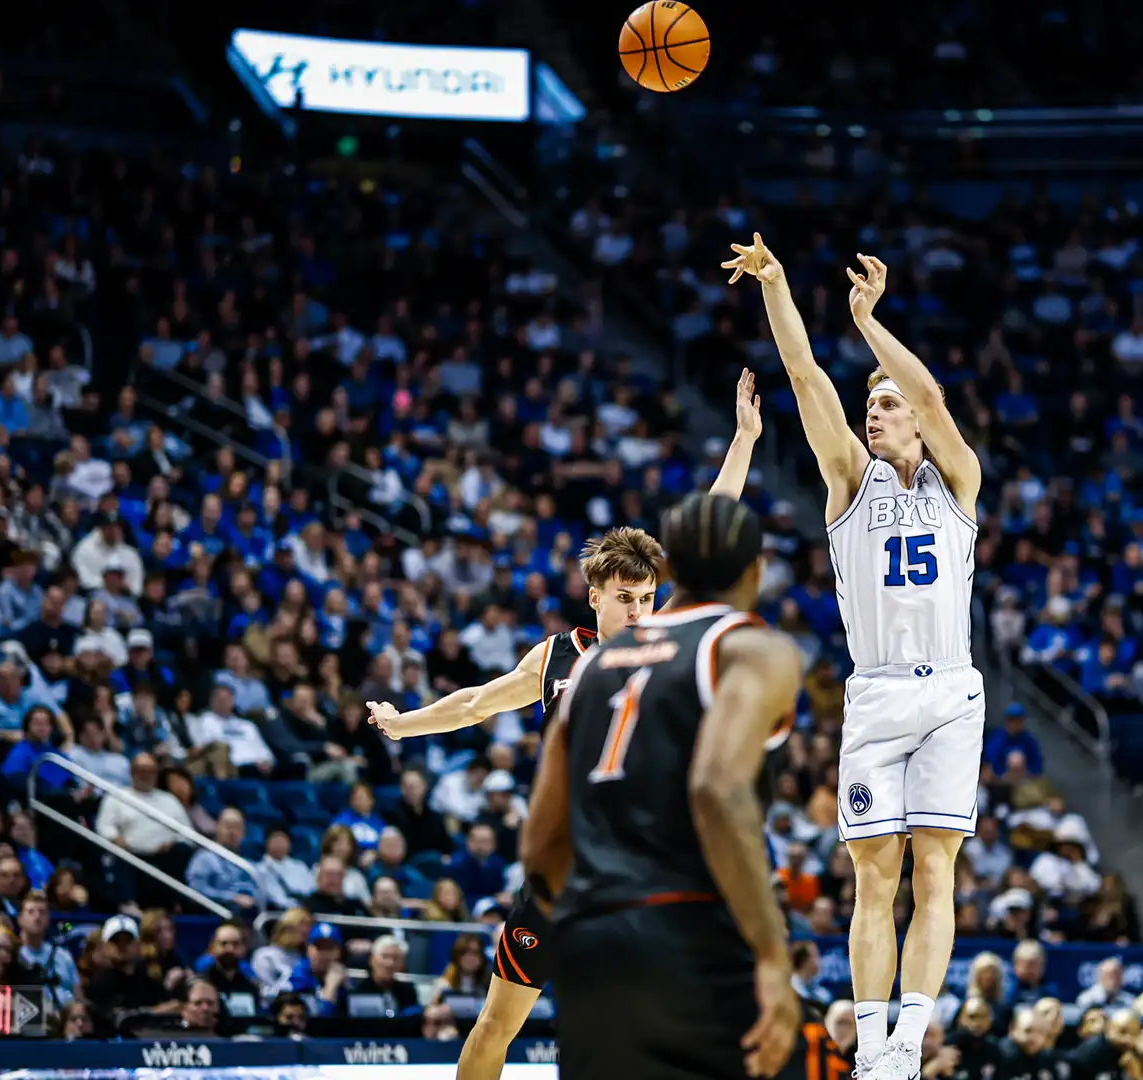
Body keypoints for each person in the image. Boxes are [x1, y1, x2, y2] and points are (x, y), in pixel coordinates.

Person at [371, 377, 762, 1080]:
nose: (640, 611)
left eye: (648, 598)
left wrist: (744, 440)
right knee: (497, 1024)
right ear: (595, 596)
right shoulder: (555, 657)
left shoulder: (666, 641)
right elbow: (477, 703)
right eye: (626, 599)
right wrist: (404, 726)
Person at [728, 234, 983, 1079]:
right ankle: (872, 1049)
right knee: (876, 878)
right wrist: (776, 284)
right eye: (870, 404)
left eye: (886, 404)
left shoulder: (959, 480)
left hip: (951, 691)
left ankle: (910, 1041)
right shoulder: (848, 477)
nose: (874, 413)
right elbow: (805, 376)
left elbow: (933, 395)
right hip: (875, 694)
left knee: (936, 871)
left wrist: (871, 324)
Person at [524, 492, 805, 1080]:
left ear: (670, 570)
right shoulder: (750, 649)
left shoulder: (591, 665)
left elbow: (542, 841)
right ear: (756, 572)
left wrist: (582, 920)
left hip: (591, 936)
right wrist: (771, 954)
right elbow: (716, 790)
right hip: (691, 930)